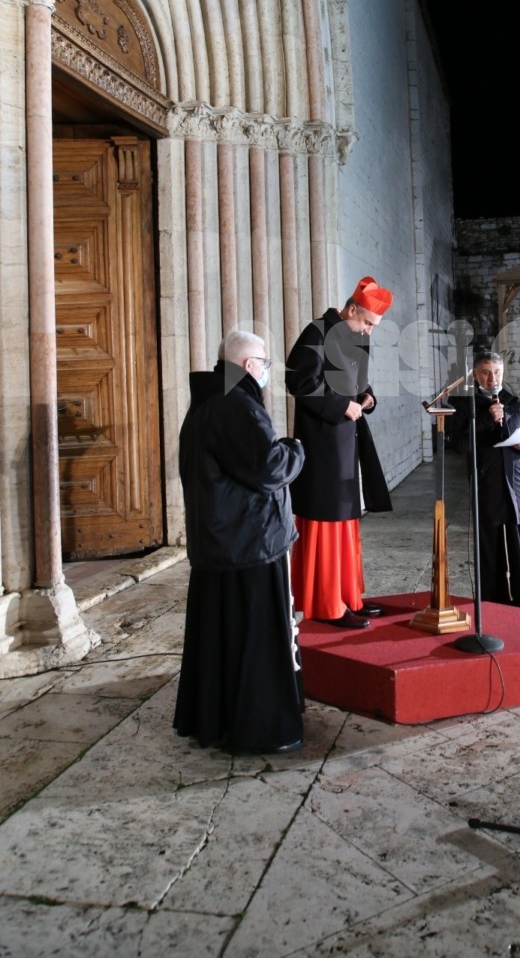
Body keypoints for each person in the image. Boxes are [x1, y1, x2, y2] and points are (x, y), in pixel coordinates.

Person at [174, 329, 306, 754]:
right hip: (249, 544)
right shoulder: (236, 405)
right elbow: (268, 467)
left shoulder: (206, 403)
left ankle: (217, 721)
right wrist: (295, 449)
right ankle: (262, 728)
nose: (266, 370)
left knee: (221, 640)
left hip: (221, 542)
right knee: (255, 641)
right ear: (249, 366)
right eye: (264, 363)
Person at [286, 276, 394, 630]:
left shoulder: (353, 336)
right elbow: (300, 382)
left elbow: (354, 381)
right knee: (326, 522)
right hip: (322, 445)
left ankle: (349, 597)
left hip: (346, 441)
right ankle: (326, 605)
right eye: (367, 323)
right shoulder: (316, 332)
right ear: (350, 310)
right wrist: (341, 406)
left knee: (346, 521)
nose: (369, 331)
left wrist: (366, 396)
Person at [447, 351, 520, 616]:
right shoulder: (465, 405)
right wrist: (486, 419)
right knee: (491, 546)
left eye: (497, 372)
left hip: (518, 483)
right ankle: (493, 611)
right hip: (488, 482)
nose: (492, 378)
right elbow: (458, 444)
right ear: (475, 375)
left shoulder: (516, 401)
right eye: (485, 372)